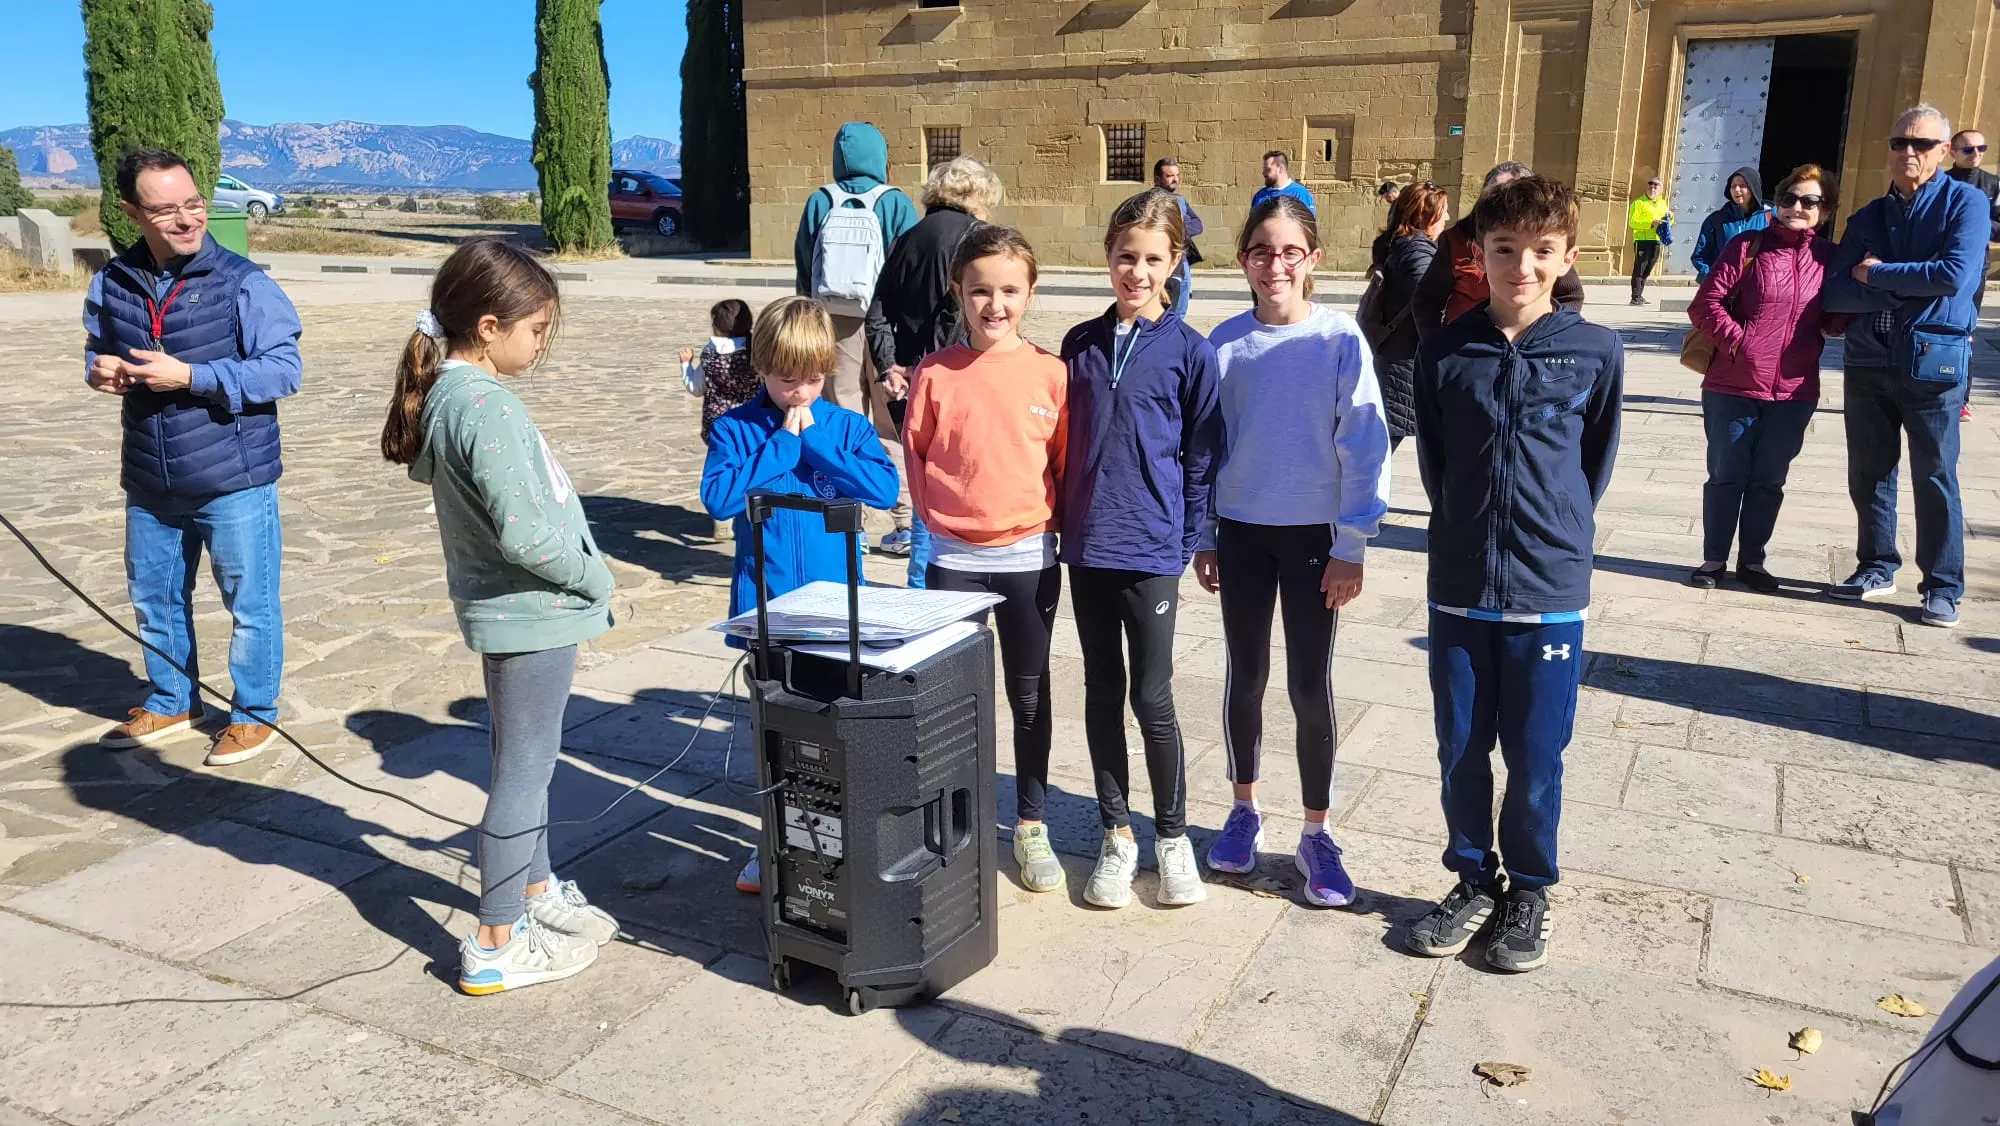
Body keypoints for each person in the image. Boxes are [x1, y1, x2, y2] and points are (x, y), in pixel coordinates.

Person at [381, 237, 621, 996]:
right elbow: (527, 532)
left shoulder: (452, 394)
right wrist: (595, 576)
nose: (542, 344)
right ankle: (496, 938)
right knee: (524, 769)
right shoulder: (485, 404)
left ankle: (535, 891)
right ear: (488, 326)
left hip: (512, 612)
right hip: (532, 612)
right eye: (536, 329)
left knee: (523, 759)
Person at [1405, 176, 1623, 973]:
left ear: (1566, 256)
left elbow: (1591, 464)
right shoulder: (1444, 351)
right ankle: (1472, 878)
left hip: (1549, 590)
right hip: (1461, 583)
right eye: (1504, 250)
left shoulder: (1595, 350)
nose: (1521, 266)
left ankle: (1530, 888)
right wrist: (1468, 524)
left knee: (1535, 754)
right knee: (1460, 748)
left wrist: (1552, 529)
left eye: (1540, 251)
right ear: (1478, 253)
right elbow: (1436, 462)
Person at [1193, 195, 1391, 907]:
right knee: (1244, 675)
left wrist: (1352, 543)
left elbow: (1363, 443)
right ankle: (1244, 807)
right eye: (1260, 251)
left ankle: (1317, 830)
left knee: (1309, 685)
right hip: (1243, 534)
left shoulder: (1339, 340)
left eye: (1289, 252)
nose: (1274, 264)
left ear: (1313, 259)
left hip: (1314, 539)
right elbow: (1207, 447)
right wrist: (1206, 533)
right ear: (1243, 259)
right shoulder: (1223, 343)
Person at [85, 148, 303, 767]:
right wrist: (99, 371)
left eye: (194, 204)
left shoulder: (244, 282)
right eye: (166, 210)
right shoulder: (112, 281)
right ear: (132, 212)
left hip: (234, 478)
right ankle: (174, 698)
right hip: (150, 478)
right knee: (154, 597)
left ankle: (254, 713)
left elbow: (283, 372)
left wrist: (191, 376)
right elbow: (97, 348)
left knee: (251, 605)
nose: (186, 220)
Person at [700, 296, 900, 893]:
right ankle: (775, 841)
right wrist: (781, 447)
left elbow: (884, 491)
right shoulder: (736, 429)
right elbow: (719, 499)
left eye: (813, 378)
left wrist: (816, 445)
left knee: (836, 731)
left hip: (838, 611)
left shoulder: (846, 426)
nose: (801, 392)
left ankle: (837, 841)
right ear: (760, 368)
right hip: (767, 608)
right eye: (788, 380)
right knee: (774, 733)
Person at [1059, 189, 1223, 910]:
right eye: (1126, 257)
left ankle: (1175, 839)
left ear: (1174, 264)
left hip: (1152, 549)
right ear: (1108, 258)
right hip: (1089, 547)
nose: (1137, 272)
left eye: (1153, 259)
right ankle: (1117, 833)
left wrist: (1185, 538)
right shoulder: (1079, 345)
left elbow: (1201, 457)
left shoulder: (1191, 352)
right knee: (1101, 691)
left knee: (1152, 697)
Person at [901, 226, 1069, 893]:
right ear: (959, 293)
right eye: (979, 292)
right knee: (953, 697)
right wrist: (940, 524)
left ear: (1028, 293)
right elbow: (916, 455)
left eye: (1008, 291)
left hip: (1029, 557)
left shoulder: (1051, 374)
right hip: (953, 561)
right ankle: (956, 820)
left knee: (1028, 695)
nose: (993, 305)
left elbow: (1061, 462)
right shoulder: (935, 373)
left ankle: (1031, 823)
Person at [1821, 103, 1986, 627]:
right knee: (1869, 473)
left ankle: (1942, 584)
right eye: (1899, 144)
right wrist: (1894, 290)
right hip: (1869, 359)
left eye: (1921, 145)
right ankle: (1875, 566)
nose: (1908, 153)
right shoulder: (1868, 217)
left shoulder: (1967, 204)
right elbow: (1839, 287)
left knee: (1936, 474)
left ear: (1943, 152)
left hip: (1932, 362)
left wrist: (1880, 274)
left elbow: (1953, 275)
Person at [1686, 166, 1844, 593]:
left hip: (1794, 390)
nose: (1796, 208)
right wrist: (1740, 342)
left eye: (1809, 201)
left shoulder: (1829, 259)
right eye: (1790, 198)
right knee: (1726, 475)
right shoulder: (1746, 246)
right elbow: (1705, 305)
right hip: (1732, 385)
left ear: (1824, 211)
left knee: (1769, 479)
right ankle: (1714, 558)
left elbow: (1833, 321)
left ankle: (1753, 561)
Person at [865, 155, 1006, 589]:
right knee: (969, 476)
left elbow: (877, 310)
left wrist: (889, 364)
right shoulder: (979, 239)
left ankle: (920, 582)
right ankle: (952, 582)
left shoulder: (908, 237)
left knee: (928, 478)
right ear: (978, 194)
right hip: (966, 375)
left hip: (910, 379)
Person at [792, 122, 920, 556]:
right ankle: (905, 519)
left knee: (843, 419)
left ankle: (853, 524)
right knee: (891, 421)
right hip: (886, 326)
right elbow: (911, 268)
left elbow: (804, 266)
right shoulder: (895, 202)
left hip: (834, 322)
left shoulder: (819, 200)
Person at [1411, 160, 1584, 341]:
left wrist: (1552, 336)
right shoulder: (1456, 239)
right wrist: (1437, 344)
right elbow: (1427, 299)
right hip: (1466, 346)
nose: (1523, 267)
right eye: (1504, 250)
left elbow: (1571, 295)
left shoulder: (1545, 247)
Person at [1370, 183, 1452, 450]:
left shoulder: (1400, 244)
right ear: (1425, 216)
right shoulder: (1418, 253)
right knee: (1377, 452)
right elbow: (1431, 303)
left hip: (1396, 355)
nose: (1447, 219)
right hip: (1403, 361)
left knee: (1378, 448)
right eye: (1443, 212)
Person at [1944, 127, 1999, 421]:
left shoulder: (1993, 184)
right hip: (1940, 268)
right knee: (1934, 328)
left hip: (1976, 271)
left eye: (1981, 148)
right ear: (1952, 152)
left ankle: (1961, 397)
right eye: (1968, 149)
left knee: (1966, 334)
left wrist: (1974, 221)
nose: (1976, 154)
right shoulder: (1940, 182)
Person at [1690, 167, 1772, 282]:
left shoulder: (1770, 217)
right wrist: (1713, 278)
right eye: (1733, 186)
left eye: (1742, 185)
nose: (1736, 190)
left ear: (1753, 188)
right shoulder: (1716, 220)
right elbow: (1700, 255)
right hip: (1724, 289)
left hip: (1757, 288)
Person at [1154, 157, 1205, 318]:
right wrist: (1178, 225)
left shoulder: (1180, 200)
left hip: (1182, 264)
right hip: (1162, 263)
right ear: (1158, 179)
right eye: (1169, 176)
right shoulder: (1151, 200)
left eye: (1177, 175)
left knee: (1180, 314)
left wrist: (1179, 228)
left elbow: (1198, 225)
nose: (1175, 179)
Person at [1626, 176, 1672, 305]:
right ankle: (1635, 297)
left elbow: (1668, 222)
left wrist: (1670, 217)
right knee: (1640, 268)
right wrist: (1651, 223)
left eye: (1656, 185)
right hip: (1642, 240)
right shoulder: (1638, 203)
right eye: (1650, 185)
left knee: (1648, 269)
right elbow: (1633, 222)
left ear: (1661, 189)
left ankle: (1640, 295)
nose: (1653, 187)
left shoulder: (1662, 203)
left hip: (1656, 240)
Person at [1251, 151, 1316, 213]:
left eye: (1267, 169)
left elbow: (1308, 223)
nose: (1263, 173)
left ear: (1280, 169)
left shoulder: (1300, 194)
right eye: (1263, 169)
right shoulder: (1259, 195)